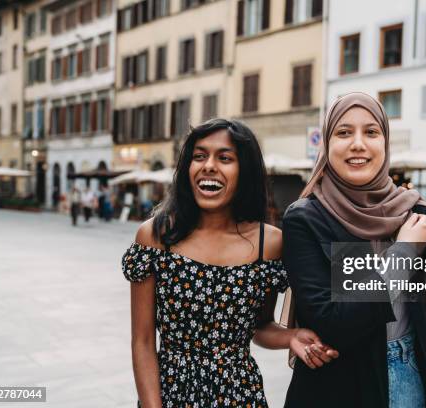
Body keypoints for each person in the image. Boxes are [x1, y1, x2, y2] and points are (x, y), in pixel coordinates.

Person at [281, 93, 426, 408]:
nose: (358, 144)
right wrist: (405, 251)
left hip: (410, 375)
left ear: (385, 143)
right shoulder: (307, 218)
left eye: (371, 132)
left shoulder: (420, 216)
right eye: (343, 133)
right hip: (335, 383)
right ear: (326, 144)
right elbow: (334, 322)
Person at [121, 119, 339, 407]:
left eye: (225, 158)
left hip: (239, 394)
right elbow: (143, 341)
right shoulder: (156, 236)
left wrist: (292, 336)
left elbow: (260, 327)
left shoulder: (269, 243)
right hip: (170, 393)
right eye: (199, 156)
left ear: (244, 171)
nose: (209, 165)